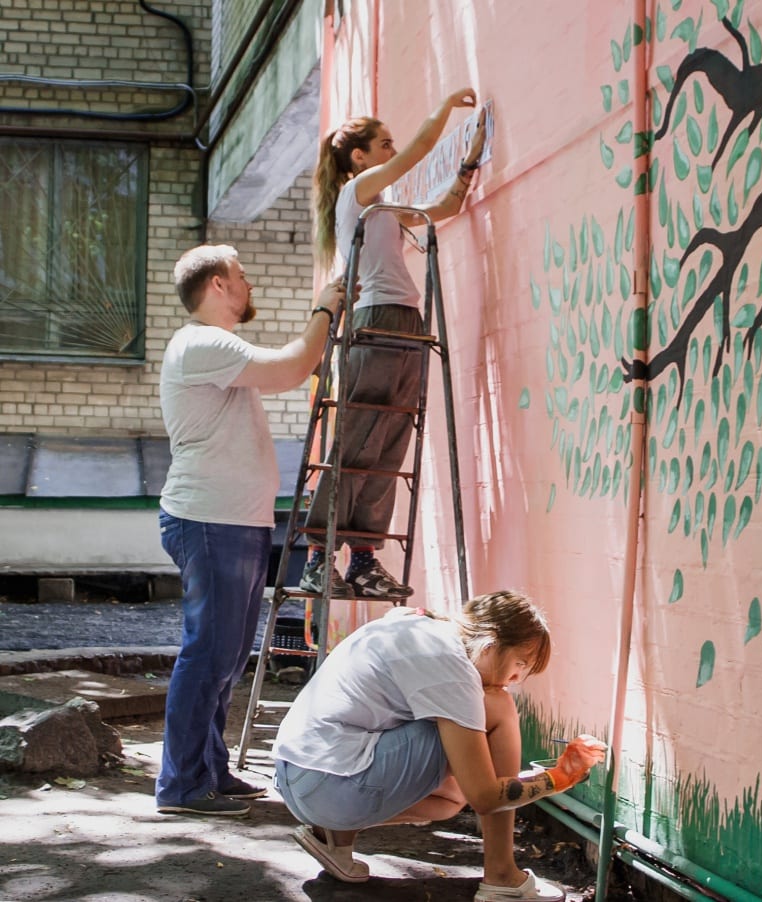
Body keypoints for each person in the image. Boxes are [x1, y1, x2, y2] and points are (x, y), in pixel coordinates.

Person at [155, 244, 348, 816]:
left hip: (229, 521)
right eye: (240, 275)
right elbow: (292, 367)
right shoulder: (201, 342)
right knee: (209, 655)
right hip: (209, 520)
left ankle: (209, 772)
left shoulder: (215, 348)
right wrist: (324, 311)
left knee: (227, 657)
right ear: (217, 285)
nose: (248, 282)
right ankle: (182, 786)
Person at [273, 590, 606, 901]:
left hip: (297, 779)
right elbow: (486, 797)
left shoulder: (420, 625)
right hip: (328, 785)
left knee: (450, 798)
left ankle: (334, 837)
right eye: (520, 664)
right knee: (499, 707)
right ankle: (502, 877)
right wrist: (561, 777)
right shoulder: (452, 669)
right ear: (489, 644)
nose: (517, 679)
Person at [300, 86, 488, 600]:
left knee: (390, 442)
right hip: (376, 319)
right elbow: (417, 154)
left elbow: (444, 207)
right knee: (358, 438)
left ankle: (362, 557)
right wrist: (447, 107)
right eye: (383, 143)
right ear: (359, 157)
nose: (391, 149)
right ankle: (318, 556)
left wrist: (470, 161)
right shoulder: (355, 193)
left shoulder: (382, 207)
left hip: (406, 321)